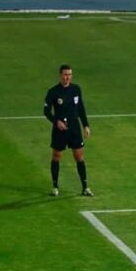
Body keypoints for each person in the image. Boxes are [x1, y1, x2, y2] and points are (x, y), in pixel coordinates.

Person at [44, 64, 93, 197]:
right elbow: (46, 111)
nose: (67, 77)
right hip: (59, 129)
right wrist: (56, 122)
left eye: (70, 75)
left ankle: (85, 187)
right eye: (65, 75)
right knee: (56, 156)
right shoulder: (53, 92)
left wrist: (86, 125)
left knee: (79, 157)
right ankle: (55, 187)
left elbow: (81, 108)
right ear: (60, 75)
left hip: (74, 128)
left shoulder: (76, 89)